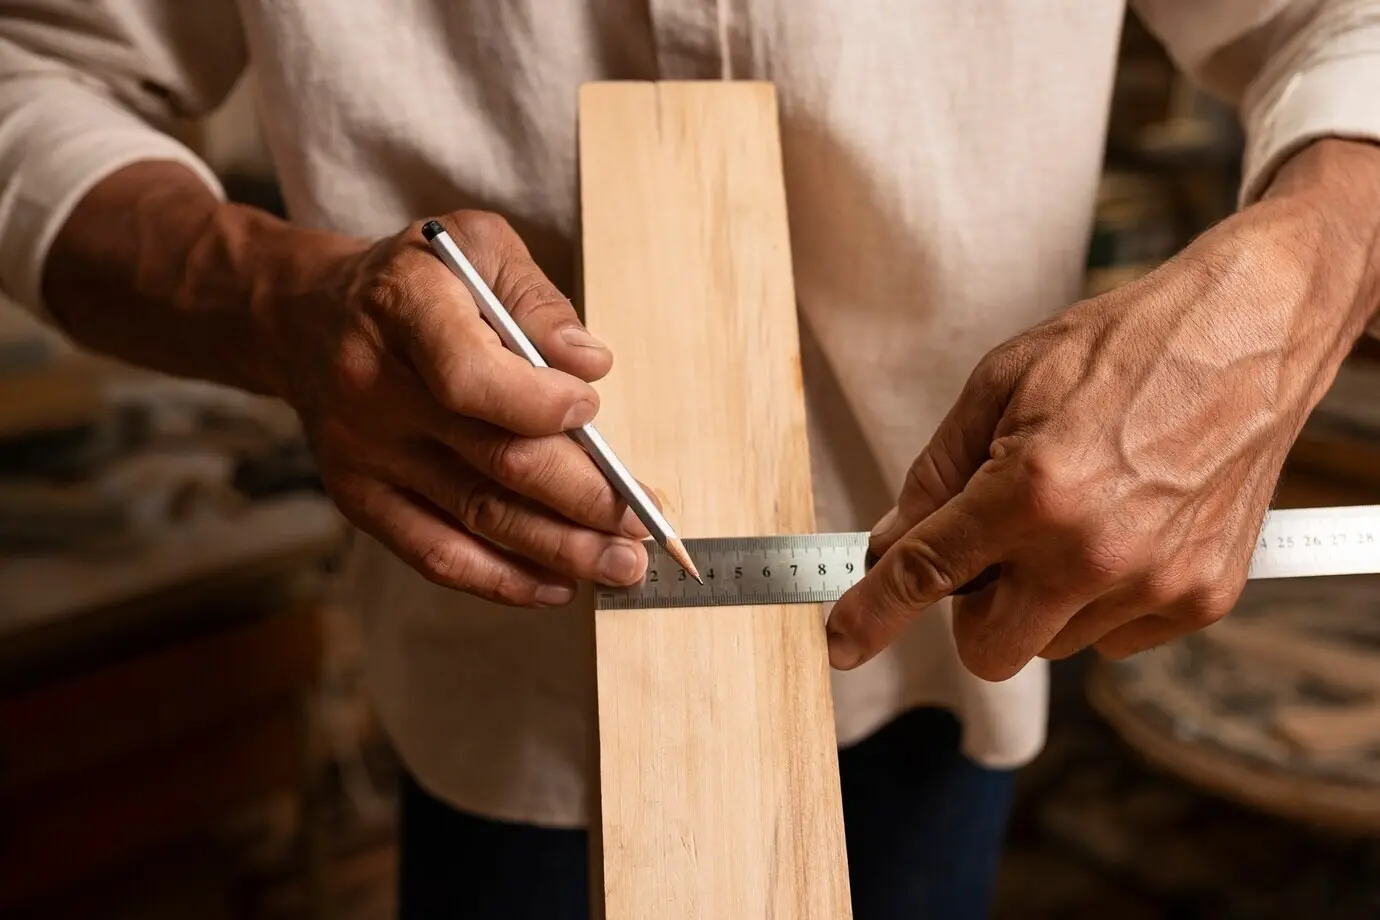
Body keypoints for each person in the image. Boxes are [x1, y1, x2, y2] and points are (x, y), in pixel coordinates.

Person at [2, 3, 1378, 918]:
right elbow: (30, 71)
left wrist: (1293, 293)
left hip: (956, 662)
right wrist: (279, 304)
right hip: (506, 679)